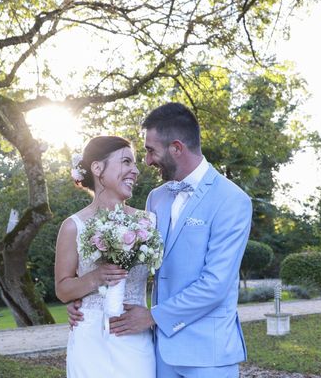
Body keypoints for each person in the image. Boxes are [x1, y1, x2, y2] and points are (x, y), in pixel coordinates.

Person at [68, 103, 252, 378]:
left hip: (208, 354)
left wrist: (153, 317)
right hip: (159, 354)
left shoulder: (232, 200)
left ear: (176, 148)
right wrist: (85, 295)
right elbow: (135, 262)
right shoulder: (157, 198)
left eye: (151, 150)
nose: (147, 161)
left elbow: (216, 284)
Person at [55, 135, 156, 378]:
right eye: (126, 162)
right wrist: (95, 278)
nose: (135, 170)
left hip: (134, 338)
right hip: (90, 338)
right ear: (98, 168)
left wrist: (155, 316)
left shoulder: (149, 221)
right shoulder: (73, 226)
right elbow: (62, 289)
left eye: (134, 164)